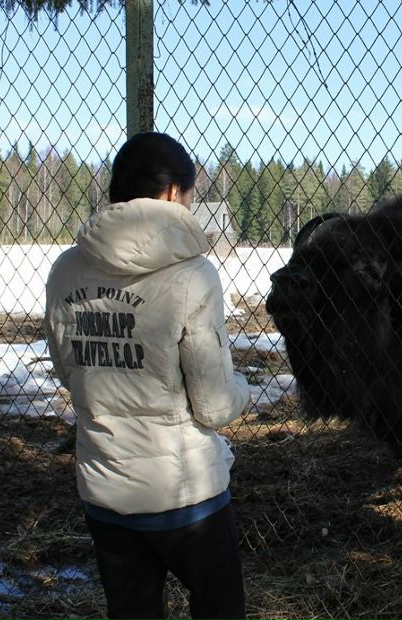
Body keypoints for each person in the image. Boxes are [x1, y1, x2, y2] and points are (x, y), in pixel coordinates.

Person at [44, 131, 251, 620]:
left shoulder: (66, 269)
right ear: (173, 194)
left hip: (105, 491)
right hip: (185, 496)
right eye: (191, 195)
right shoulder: (193, 274)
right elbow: (215, 404)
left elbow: (65, 367)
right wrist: (244, 389)